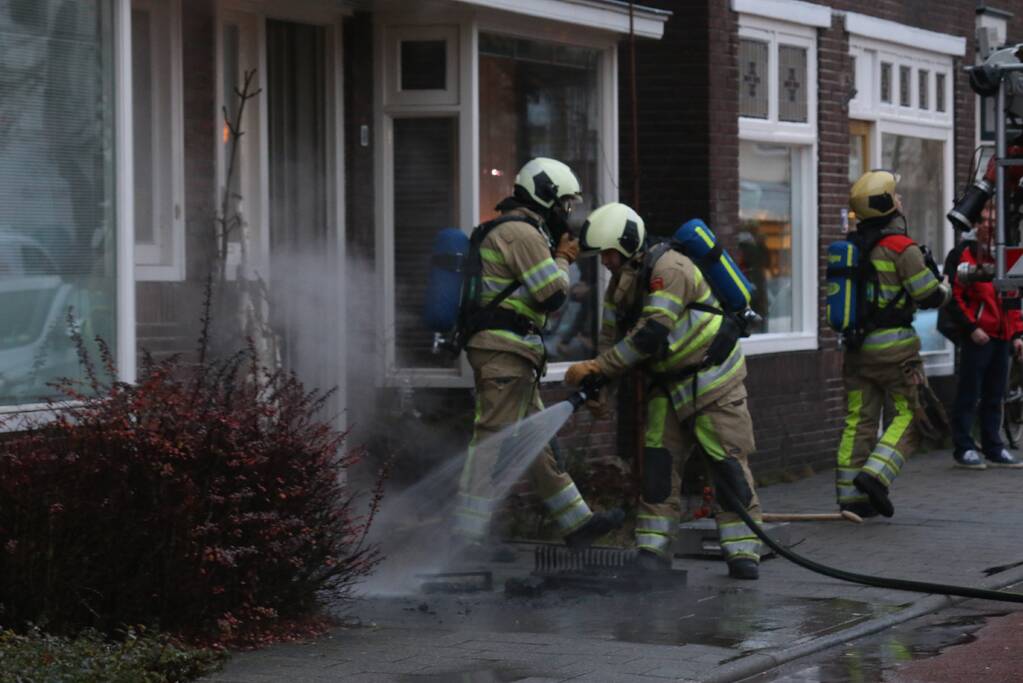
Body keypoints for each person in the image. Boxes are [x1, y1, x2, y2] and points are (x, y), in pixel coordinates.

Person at [565, 202, 763, 580]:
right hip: (668, 388)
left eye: (608, 253)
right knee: (657, 469)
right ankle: (652, 552)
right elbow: (611, 340)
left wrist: (599, 368)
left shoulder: (669, 269)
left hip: (713, 381)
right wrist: (600, 388)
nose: (605, 262)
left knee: (727, 467)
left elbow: (654, 330)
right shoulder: (619, 285)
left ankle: (742, 552)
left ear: (626, 244)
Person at [452, 157, 624, 550]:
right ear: (545, 196)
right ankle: (466, 537)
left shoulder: (514, 230)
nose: (566, 213)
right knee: (493, 439)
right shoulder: (522, 233)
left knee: (537, 442)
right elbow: (552, 294)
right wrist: (562, 258)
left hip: (512, 354)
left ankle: (576, 523)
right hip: (503, 353)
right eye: (563, 203)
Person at [835, 170, 951, 518]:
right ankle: (875, 476)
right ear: (886, 204)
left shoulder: (852, 248)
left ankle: (850, 498)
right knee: (910, 417)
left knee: (859, 420)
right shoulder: (901, 248)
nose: (900, 200)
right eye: (895, 195)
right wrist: (944, 287)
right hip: (896, 351)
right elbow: (928, 295)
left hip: (856, 352)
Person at [944, 204, 1023, 469]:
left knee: (995, 394)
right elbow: (954, 297)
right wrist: (970, 328)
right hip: (979, 336)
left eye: (994, 220)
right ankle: (964, 447)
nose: (989, 225)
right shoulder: (962, 254)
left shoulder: (1008, 256)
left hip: (1001, 337)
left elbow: (1013, 298)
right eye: (985, 220)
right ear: (976, 224)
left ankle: (993, 446)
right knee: (969, 392)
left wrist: (1017, 334)